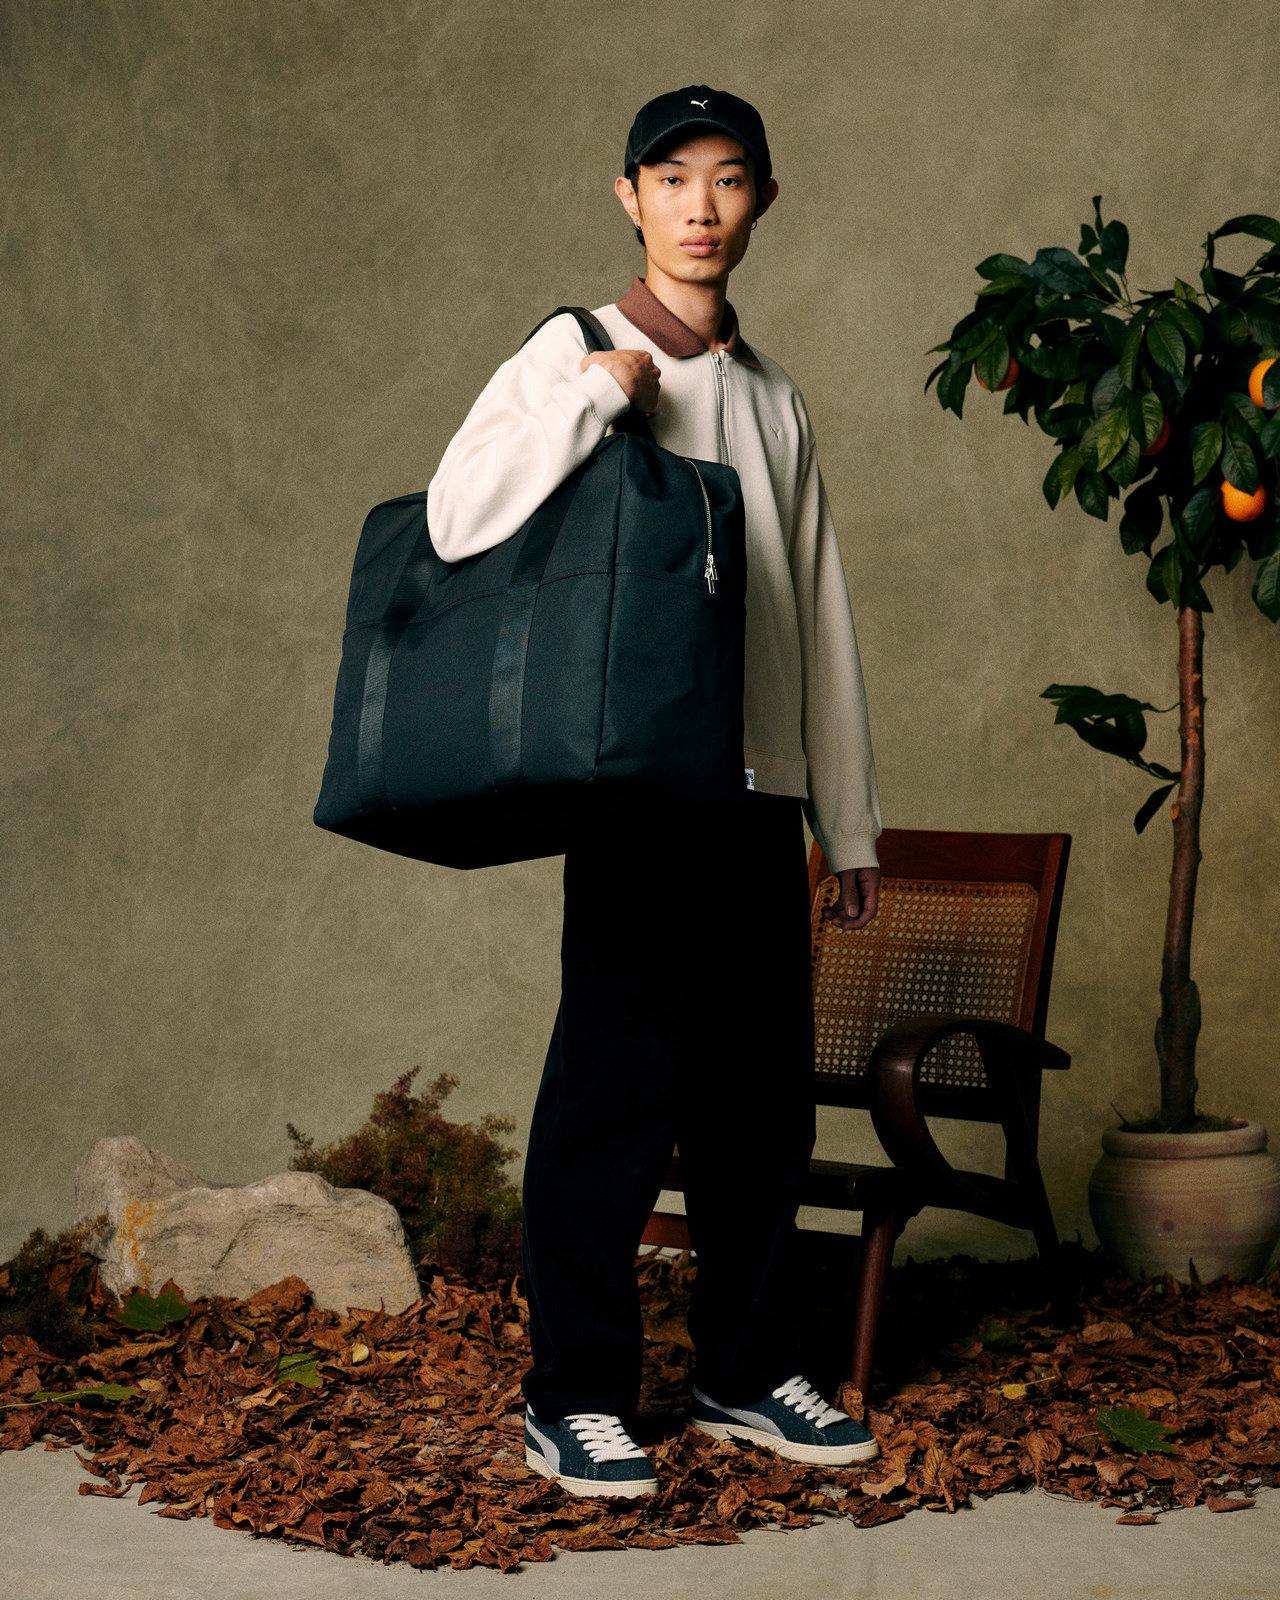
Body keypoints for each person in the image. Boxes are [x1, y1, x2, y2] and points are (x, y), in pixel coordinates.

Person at [426, 84, 884, 1499]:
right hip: (635, 790)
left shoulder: (776, 398)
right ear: (629, 196)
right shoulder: (576, 348)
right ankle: (572, 1396)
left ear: (762, 201)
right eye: (672, 179)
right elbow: (457, 515)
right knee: (613, 1098)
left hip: (756, 796)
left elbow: (814, 614)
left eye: (728, 179)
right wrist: (592, 396)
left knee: (762, 1109)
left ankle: (742, 1371)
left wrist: (845, 821)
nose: (700, 206)